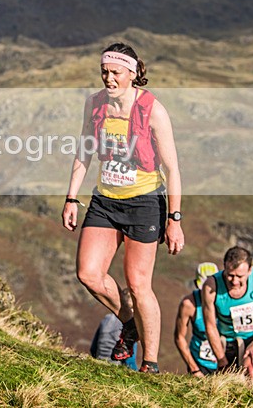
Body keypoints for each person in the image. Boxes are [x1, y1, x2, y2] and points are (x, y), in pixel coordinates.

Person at [62, 42, 185, 373]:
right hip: (105, 200)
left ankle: (150, 362)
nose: (108, 78)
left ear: (132, 74)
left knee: (138, 284)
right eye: (104, 71)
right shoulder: (95, 104)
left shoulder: (152, 110)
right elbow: (83, 152)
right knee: (88, 273)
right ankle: (130, 325)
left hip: (144, 202)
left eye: (115, 72)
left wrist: (174, 220)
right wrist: (72, 198)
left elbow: (173, 169)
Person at [201, 246, 253, 386]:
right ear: (224, 267)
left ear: (249, 270)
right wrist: (221, 360)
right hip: (228, 342)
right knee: (230, 383)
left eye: (240, 276)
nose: (234, 281)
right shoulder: (212, 286)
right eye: (230, 275)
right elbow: (210, 325)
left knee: (252, 370)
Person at [174, 261, 220, 376]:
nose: (207, 292)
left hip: (224, 362)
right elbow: (179, 337)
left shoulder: (226, 298)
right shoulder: (189, 304)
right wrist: (194, 369)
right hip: (200, 363)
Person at [90, 288, 138, 370]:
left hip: (98, 362)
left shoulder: (107, 318)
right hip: (115, 366)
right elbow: (129, 359)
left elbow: (93, 348)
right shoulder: (131, 324)